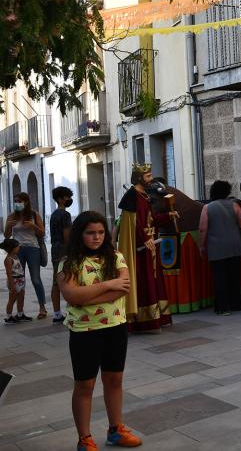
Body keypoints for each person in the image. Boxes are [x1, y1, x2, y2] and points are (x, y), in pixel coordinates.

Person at [57, 211, 143, 450]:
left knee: (114, 380)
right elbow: (72, 295)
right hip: (85, 331)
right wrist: (107, 284)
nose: (96, 237)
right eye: (90, 233)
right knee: (85, 385)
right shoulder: (69, 262)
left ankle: (116, 430)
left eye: (101, 232)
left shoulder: (115, 257)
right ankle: (84, 438)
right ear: (79, 234)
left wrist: (87, 296)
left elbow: (123, 289)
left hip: (115, 327)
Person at [117, 164, 177, 333]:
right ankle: (143, 320)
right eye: (148, 176)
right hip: (140, 250)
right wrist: (144, 240)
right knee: (144, 282)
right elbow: (134, 223)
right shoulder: (132, 196)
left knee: (154, 281)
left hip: (150, 245)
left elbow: (149, 220)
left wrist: (168, 216)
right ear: (138, 179)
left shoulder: (144, 196)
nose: (151, 179)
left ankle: (156, 318)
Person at [199, 180, 241, 315]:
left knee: (220, 278)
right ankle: (236, 304)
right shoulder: (235, 205)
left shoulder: (207, 208)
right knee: (234, 277)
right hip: (235, 246)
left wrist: (202, 246)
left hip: (217, 247)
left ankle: (223, 307)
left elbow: (203, 229)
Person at [4, 192, 47, 319]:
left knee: (36, 279)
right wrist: (8, 226)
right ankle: (20, 312)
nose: (17, 203)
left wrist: (33, 226)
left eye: (20, 201)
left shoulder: (34, 215)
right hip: (17, 250)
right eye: (15, 201)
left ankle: (42, 308)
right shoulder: (12, 216)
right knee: (19, 280)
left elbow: (42, 233)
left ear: (26, 202)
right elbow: (6, 236)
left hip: (33, 248)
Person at [50, 186, 75, 324]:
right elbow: (67, 236)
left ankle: (56, 313)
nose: (69, 199)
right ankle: (71, 310)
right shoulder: (65, 215)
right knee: (68, 280)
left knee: (56, 281)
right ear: (60, 199)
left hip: (55, 249)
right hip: (64, 250)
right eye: (67, 197)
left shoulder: (54, 214)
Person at [3, 238, 26, 324]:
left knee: (21, 298)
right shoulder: (8, 260)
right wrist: (12, 285)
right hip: (14, 281)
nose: (19, 248)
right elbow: (9, 274)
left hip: (20, 280)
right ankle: (9, 317)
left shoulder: (16, 256)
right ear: (11, 248)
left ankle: (20, 314)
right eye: (17, 247)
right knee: (12, 299)